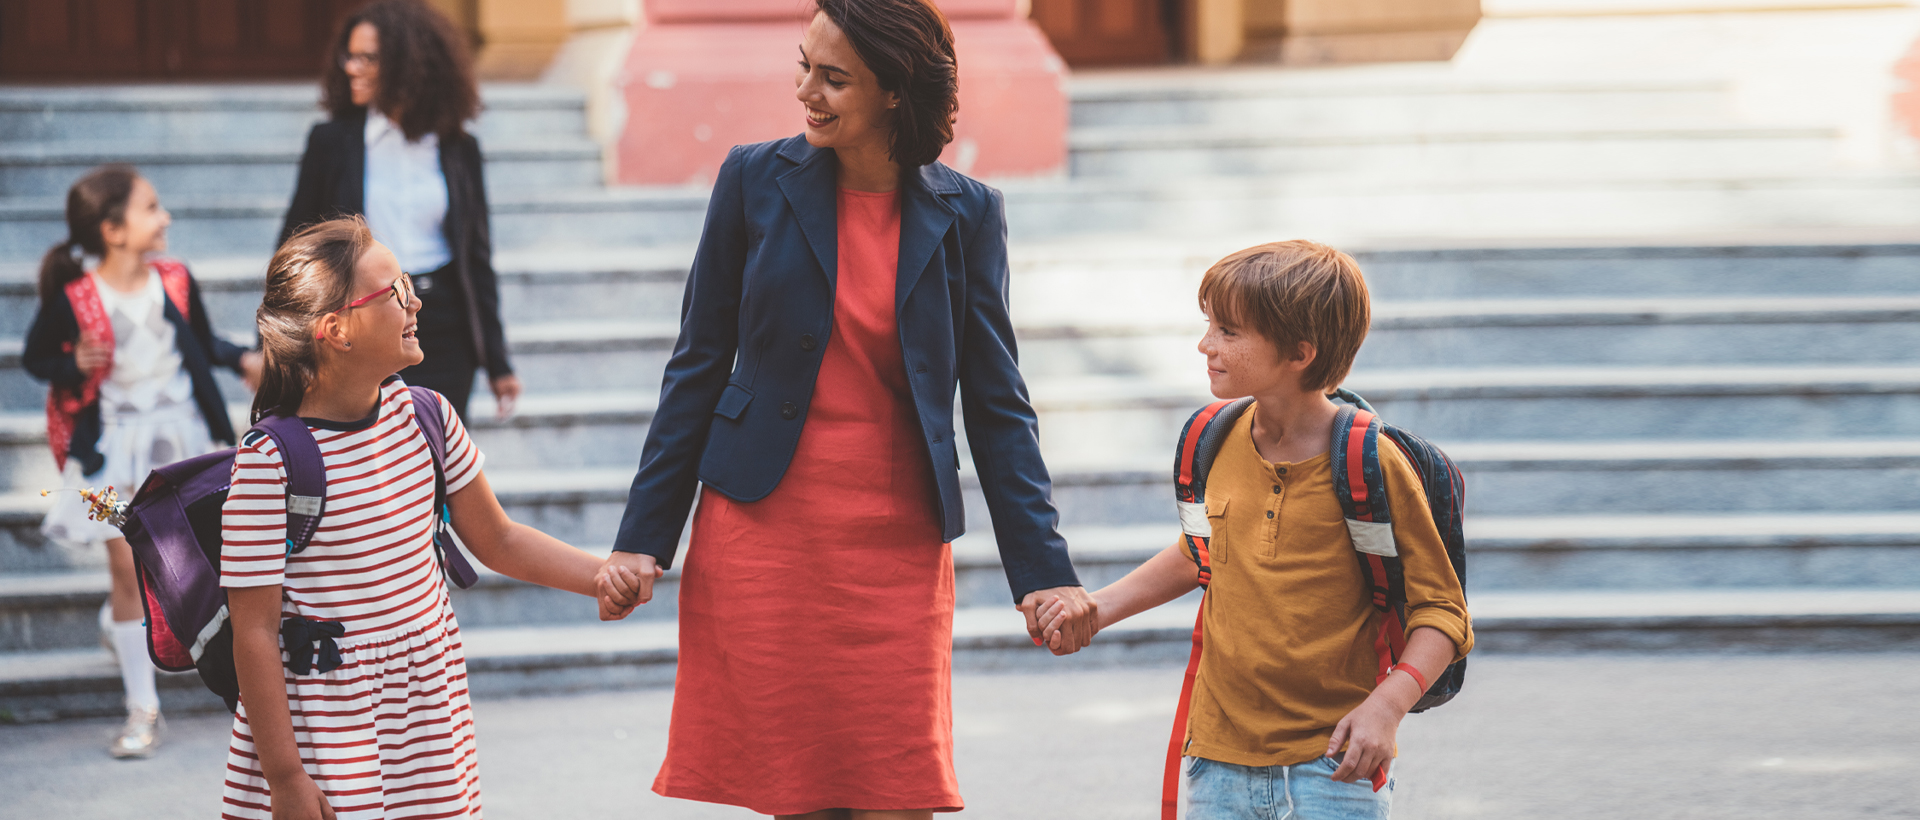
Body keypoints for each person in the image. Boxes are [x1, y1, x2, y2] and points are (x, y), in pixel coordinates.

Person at [596, 1, 1098, 817]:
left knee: (897, 784)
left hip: (894, 544)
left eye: (833, 78)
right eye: (804, 67)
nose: (806, 92)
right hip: (765, 533)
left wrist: (1044, 574)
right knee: (798, 789)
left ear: (896, 91)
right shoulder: (753, 179)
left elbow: (999, 407)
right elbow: (694, 367)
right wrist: (642, 540)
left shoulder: (969, 212)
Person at [217, 217, 642, 820]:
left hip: (424, 711)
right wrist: (286, 776)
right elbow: (254, 631)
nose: (415, 301)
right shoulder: (271, 462)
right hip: (329, 726)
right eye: (393, 293)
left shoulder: (427, 417)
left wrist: (597, 575)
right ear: (335, 329)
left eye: (409, 283)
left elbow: (497, 538)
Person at [1041, 242, 1473, 819]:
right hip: (1216, 761)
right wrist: (1098, 609)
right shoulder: (1209, 442)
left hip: (1335, 763)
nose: (1206, 345)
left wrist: (1386, 708)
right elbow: (1202, 553)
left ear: (1299, 353)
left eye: (1229, 331)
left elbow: (1443, 612)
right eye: (1208, 326)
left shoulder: (1371, 463)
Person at [23, 164, 263, 759]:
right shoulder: (76, 298)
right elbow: (34, 358)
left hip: (184, 444)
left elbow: (201, 342)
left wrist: (243, 361)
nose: (166, 218)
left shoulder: (175, 280)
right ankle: (143, 709)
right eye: (152, 208)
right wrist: (72, 362)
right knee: (126, 568)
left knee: (207, 558)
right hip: (106, 456)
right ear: (113, 228)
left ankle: (236, 687)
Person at [280, 0, 520, 420]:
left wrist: (498, 362)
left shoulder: (458, 148)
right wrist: (277, 344)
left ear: (408, 64)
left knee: (439, 461)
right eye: (348, 56)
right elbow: (294, 246)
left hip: (443, 324)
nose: (352, 68)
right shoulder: (331, 142)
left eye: (367, 58)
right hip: (363, 321)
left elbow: (477, 257)